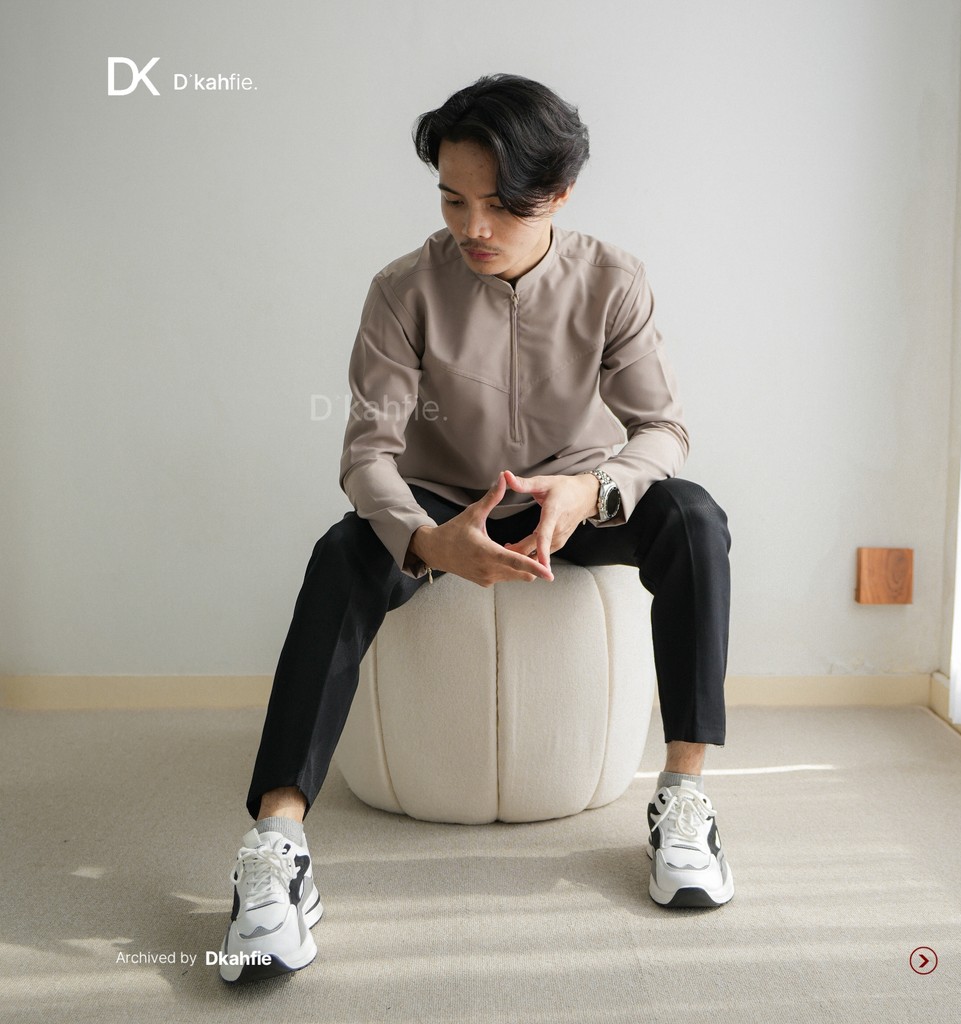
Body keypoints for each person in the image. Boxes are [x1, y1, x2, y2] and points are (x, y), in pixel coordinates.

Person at [218, 74, 733, 984]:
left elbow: (663, 429)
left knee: (693, 519)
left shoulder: (614, 280)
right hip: (441, 502)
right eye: (454, 200)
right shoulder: (402, 289)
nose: (474, 227)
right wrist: (426, 541)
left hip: (573, 499)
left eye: (500, 205)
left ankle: (684, 798)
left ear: (558, 194)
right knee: (342, 553)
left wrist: (593, 493)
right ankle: (277, 845)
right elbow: (366, 455)